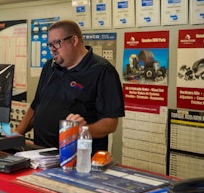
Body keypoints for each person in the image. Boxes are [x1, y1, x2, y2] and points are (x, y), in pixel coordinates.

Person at [15, 20, 125, 155]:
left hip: (78, 158)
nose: (52, 49)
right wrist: (16, 135)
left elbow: (110, 123)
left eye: (57, 43)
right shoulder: (50, 67)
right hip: (41, 154)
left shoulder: (102, 71)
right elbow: (36, 105)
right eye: (50, 44)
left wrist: (83, 130)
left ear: (74, 40)